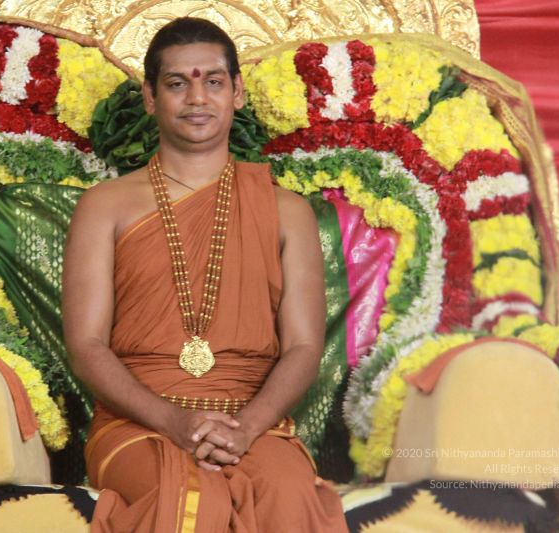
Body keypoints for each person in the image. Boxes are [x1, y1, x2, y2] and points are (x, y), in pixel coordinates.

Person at [62, 17, 347, 532]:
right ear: (150, 97)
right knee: (190, 495)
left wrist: (246, 428)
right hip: (137, 425)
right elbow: (86, 347)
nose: (197, 98)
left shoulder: (287, 211)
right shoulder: (105, 207)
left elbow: (305, 346)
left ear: (237, 92)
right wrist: (174, 421)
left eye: (213, 81)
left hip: (253, 424)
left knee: (286, 494)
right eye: (177, 83)